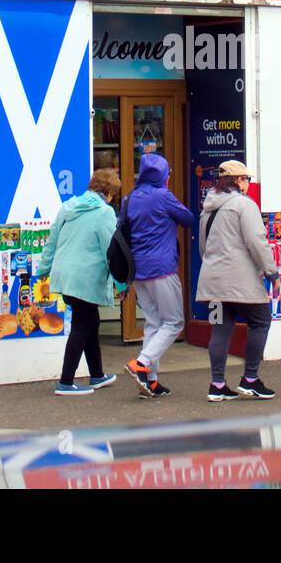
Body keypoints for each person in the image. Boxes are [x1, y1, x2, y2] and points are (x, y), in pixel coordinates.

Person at [37, 168, 123, 396]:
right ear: (109, 193)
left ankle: (97, 375)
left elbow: (52, 241)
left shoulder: (68, 207)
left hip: (65, 276)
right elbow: (111, 251)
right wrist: (122, 284)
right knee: (82, 325)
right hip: (85, 279)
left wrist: (43, 270)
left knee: (90, 322)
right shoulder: (104, 212)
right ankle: (65, 382)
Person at [197, 160, 278, 402]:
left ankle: (217, 384)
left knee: (220, 329)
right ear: (237, 180)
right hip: (240, 281)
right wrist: (270, 270)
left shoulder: (207, 208)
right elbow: (256, 240)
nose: (248, 183)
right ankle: (250, 379)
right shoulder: (244, 205)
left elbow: (203, 247)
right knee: (261, 320)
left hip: (213, 282)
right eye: (247, 179)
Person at [122, 153, 193, 398]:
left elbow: (124, 229)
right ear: (163, 175)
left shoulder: (130, 198)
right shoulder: (163, 196)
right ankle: (141, 363)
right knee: (174, 322)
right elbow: (188, 218)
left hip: (139, 270)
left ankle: (150, 380)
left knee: (153, 323)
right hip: (162, 268)